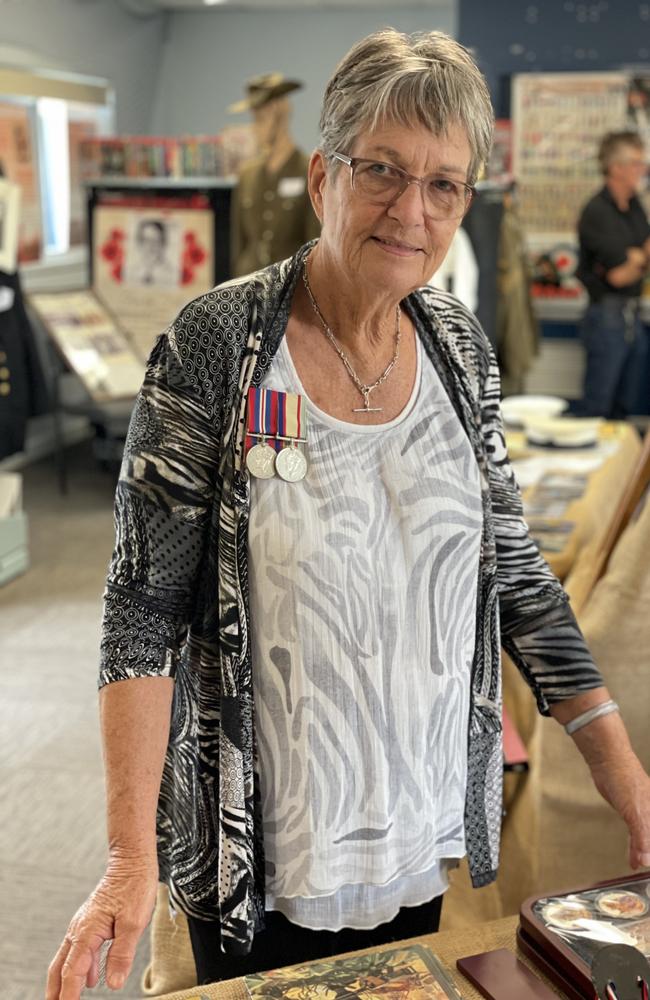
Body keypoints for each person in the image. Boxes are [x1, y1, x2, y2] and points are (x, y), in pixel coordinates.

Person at [47, 29, 650, 998]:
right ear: (325, 176)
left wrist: (618, 765)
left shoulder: (459, 348)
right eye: (383, 171)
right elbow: (141, 609)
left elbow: (517, 576)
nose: (411, 210)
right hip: (259, 851)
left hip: (413, 827)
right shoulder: (219, 344)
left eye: (443, 185)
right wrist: (128, 856)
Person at [576, 131, 650, 417]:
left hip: (633, 317)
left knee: (626, 407)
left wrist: (637, 258)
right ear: (616, 167)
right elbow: (619, 275)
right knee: (598, 406)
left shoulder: (634, 207)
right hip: (606, 319)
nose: (641, 169)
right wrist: (639, 257)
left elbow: (639, 257)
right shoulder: (597, 211)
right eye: (636, 162)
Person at [228, 72, 320, 275]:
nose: (255, 128)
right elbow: (238, 244)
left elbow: (316, 245)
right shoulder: (247, 176)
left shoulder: (309, 171)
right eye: (254, 119)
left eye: (261, 118)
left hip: (289, 288)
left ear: (280, 112)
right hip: (248, 287)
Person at [126, 218, 178, 287]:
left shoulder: (172, 274)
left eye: (156, 241)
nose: (151, 246)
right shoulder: (131, 272)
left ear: (163, 243)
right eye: (147, 240)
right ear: (140, 243)